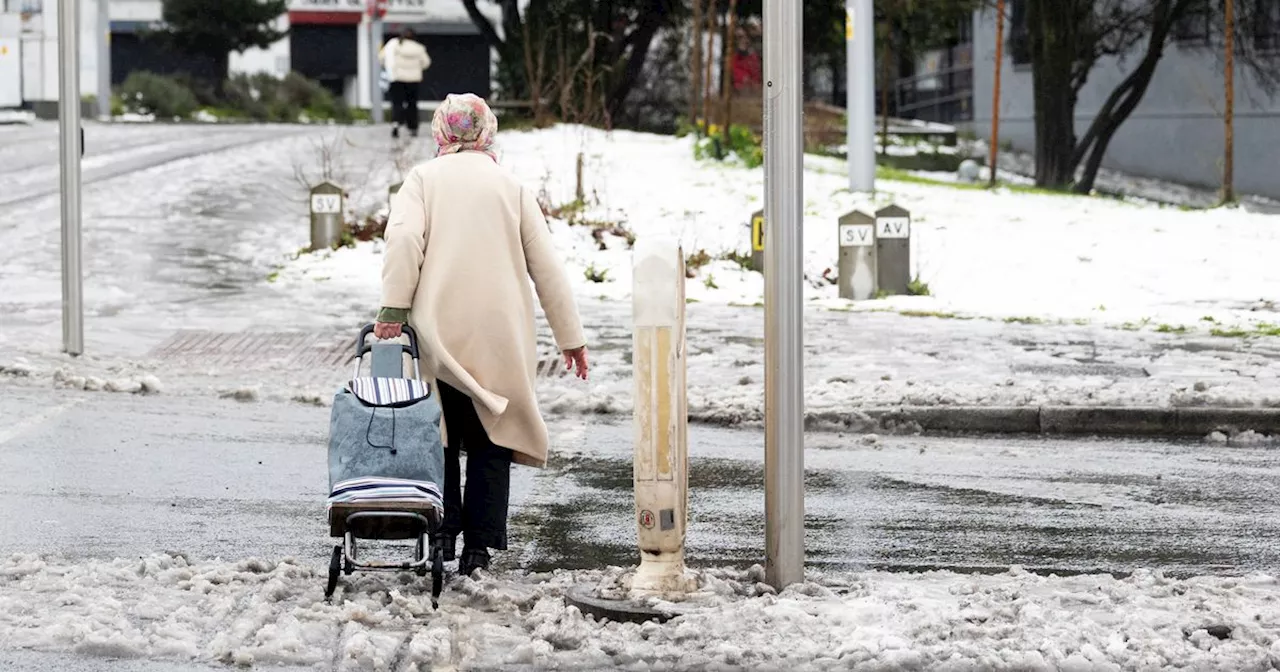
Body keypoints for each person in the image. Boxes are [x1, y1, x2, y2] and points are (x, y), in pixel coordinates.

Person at [374, 93, 589, 577]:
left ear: (442, 131)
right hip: (501, 333)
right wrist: (570, 338)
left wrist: (393, 307)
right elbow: (547, 267)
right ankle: (480, 546)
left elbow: (405, 239)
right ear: (487, 131)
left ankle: (443, 532)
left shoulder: (423, 180)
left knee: (441, 433)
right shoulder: (509, 186)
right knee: (493, 435)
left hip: (439, 329)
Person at [380, 28, 431, 138]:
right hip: (414, 80)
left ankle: (396, 124)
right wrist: (416, 68)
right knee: (412, 104)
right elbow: (426, 63)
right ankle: (413, 127)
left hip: (397, 78)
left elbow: (382, 58)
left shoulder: (394, 46)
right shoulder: (419, 48)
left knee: (397, 103)